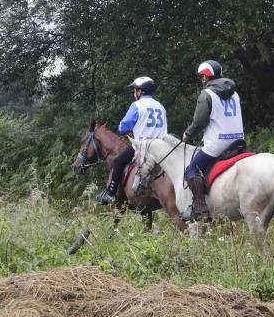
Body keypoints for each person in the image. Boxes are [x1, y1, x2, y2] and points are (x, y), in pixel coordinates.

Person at [181, 60, 244, 222]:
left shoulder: (207, 94)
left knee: (192, 170)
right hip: (238, 141)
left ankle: (200, 209)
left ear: (205, 77)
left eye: (202, 76)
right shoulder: (234, 93)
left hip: (218, 144)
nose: (202, 79)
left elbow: (200, 121)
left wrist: (188, 133)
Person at [96, 76, 167, 204]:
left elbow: (122, 127)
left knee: (118, 162)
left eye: (135, 90)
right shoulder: (161, 106)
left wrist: (130, 130)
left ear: (141, 91)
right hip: (162, 148)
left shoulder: (137, 105)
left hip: (142, 146)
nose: (134, 93)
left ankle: (111, 194)